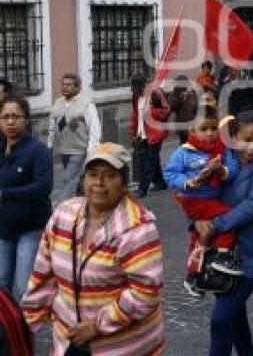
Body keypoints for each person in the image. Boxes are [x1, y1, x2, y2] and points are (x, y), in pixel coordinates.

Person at [21, 142, 165, 354]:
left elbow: (146, 294)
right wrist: (25, 325)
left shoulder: (137, 228)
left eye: (109, 175)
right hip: (69, 339)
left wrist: (97, 325)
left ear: (124, 183)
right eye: (92, 174)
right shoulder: (64, 214)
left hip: (123, 346)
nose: (99, 182)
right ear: (83, 179)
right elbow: (43, 274)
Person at [194, 111, 253, 356]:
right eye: (246, 139)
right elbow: (201, 191)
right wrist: (198, 219)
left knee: (221, 319)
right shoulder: (222, 155)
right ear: (234, 135)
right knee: (234, 316)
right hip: (219, 252)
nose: (252, 146)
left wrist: (216, 225)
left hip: (249, 252)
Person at [164, 108, 242, 298]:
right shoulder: (183, 152)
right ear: (192, 130)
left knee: (199, 238)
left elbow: (232, 170)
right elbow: (170, 173)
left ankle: (194, 276)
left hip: (211, 199)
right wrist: (187, 182)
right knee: (228, 218)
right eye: (204, 129)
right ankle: (223, 256)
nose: (209, 133)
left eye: (213, 128)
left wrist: (220, 170)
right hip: (194, 200)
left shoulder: (222, 150)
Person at [0, 97, 52, 300]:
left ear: (26, 120)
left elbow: (43, 187)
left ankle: (24, 330)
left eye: (15, 116)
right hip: (3, 229)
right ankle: (6, 330)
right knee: (2, 286)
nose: (10, 122)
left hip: (30, 228)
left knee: (23, 289)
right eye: (5, 117)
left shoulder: (37, 150)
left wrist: (7, 194)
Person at [48, 73, 101, 202]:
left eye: (68, 85)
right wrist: (49, 144)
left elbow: (94, 127)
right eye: (63, 84)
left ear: (77, 87)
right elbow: (52, 124)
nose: (64, 87)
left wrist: (91, 148)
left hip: (79, 149)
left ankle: (61, 206)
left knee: (69, 178)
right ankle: (83, 201)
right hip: (63, 148)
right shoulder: (58, 102)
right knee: (75, 178)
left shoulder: (86, 104)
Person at [129, 73, 170, 198]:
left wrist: (152, 111)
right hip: (142, 133)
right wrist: (133, 132)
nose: (137, 92)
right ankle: (160, 182)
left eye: (139, 89)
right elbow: (136, 114)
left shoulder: (156, 93)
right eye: (135, 89)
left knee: (148, 162)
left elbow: (166, 109)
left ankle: (143, 189)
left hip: (155, 133)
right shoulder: (135, 96)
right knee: (151, 160)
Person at [168, 75, 199, 145]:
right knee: (184, 145)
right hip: (182, 126)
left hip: (193, 125)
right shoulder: (174, 94)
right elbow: (172, 108)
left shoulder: (192, 93)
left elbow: (197, 107)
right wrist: (179, 98)